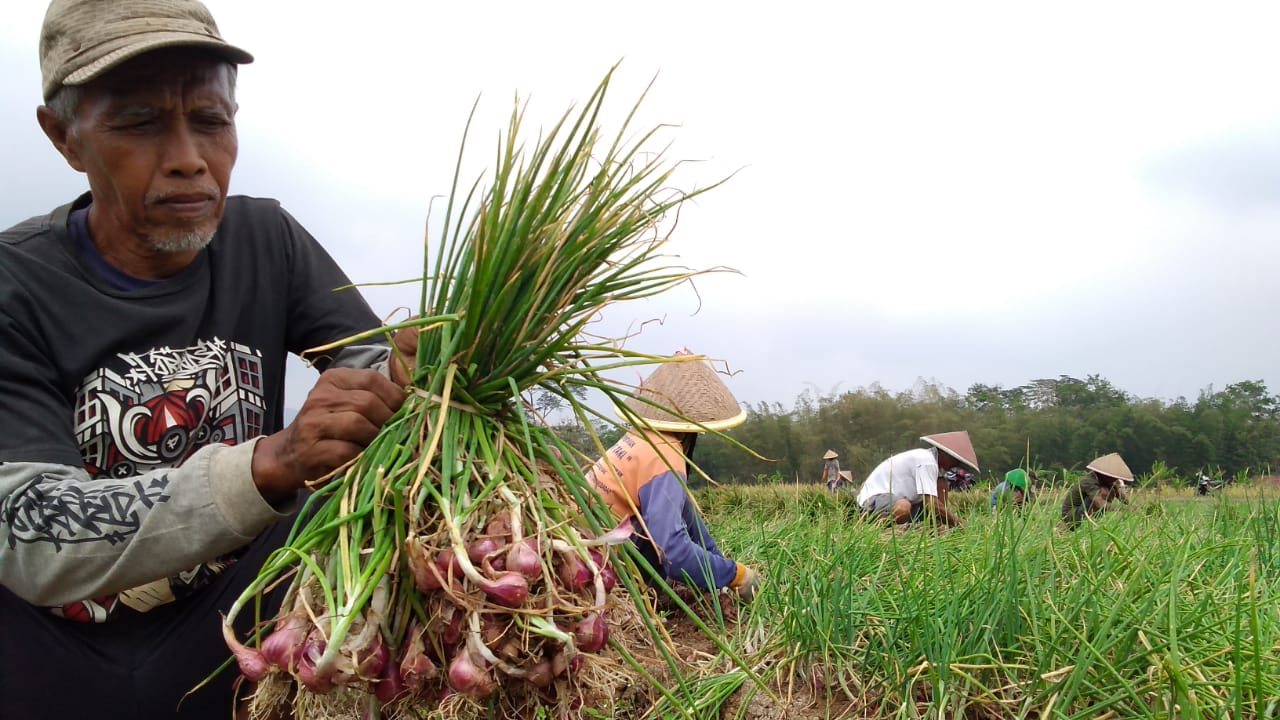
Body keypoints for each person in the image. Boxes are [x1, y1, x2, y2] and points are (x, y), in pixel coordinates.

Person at [0, 2, 419, 718]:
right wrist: (269, 462)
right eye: (139, 122)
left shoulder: (267, 239)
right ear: (64, 136)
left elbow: (374, 368)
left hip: (230, 633)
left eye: (211, 120)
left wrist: (419, 368)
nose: (189, 157)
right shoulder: (16, 284)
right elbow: (34, 531)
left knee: (352, 492)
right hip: (51, 650)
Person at [585, 352, 761, 601]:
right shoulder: (665, 456)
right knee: (663, 541)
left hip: (588, 541)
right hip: (604, 560)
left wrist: (718, 562)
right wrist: (735, 575)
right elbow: (672, 551)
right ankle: (642, 595)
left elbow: (685, 512)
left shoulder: (641, 436)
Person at [855, 431, 980, 528]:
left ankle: (934, 527)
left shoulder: (934, 469)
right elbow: (931, 504)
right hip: (873, 501)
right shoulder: (926, 461)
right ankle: (879, 527)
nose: (955, 465)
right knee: (903, 507)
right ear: (944, 453)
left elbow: (935, 504)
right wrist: (960, 524)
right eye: (954, 460)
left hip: (903, 503)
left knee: (941, 484)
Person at [1061, 453, 1133, 529]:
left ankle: (1093, 522)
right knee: (1103, 492)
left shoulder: (1109, 482)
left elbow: (1125, 501)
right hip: (1072, 516)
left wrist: (1120, 487)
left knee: (1109, 491)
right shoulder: (1088, 481)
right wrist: (1124, 509)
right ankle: (1084, 525)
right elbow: (1099, 503)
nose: (1115, 479)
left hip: (1086, 511)